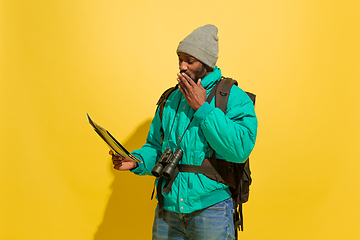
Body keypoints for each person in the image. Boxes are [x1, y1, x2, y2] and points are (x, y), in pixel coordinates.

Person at [110, 24, 257, 240]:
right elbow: (156, 147)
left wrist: (203, 109)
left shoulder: (234, 98)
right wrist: (136, 161)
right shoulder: (171, 99)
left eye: (190, 60)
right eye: (180, 59)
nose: (182, 66)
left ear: (206, 63)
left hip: (211, 209)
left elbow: (239, 150)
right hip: (167, 210)